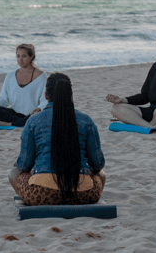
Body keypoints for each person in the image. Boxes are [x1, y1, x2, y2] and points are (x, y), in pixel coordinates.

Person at [9, 73, 106, 206]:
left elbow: (25, 164)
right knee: (101, 174)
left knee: (13, 173)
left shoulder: (33, 121)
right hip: (84, 194)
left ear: (46, 96)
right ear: (70, 94)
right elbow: (98, 164)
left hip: (42, 193)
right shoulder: (86, 121)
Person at [0, 44, 47, 127]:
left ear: (31, 57)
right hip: (13, 114)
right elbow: (3, 100)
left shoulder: (41, 76)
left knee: (35, 117)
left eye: (24, 56)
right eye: (18, 56)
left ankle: (11, 124)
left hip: (32, 114)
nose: (20, 60)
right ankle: (20, 122)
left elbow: (45, 101)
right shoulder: (10, 76)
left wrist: (39, 108)